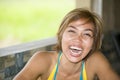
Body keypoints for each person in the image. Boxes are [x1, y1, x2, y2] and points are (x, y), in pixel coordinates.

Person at [13, 8, 120, 80]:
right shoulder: (43, 60)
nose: (78, 40)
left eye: (87, 34)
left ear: (94, 43)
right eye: (72, 31)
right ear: (61, 35)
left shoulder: (95, 61)